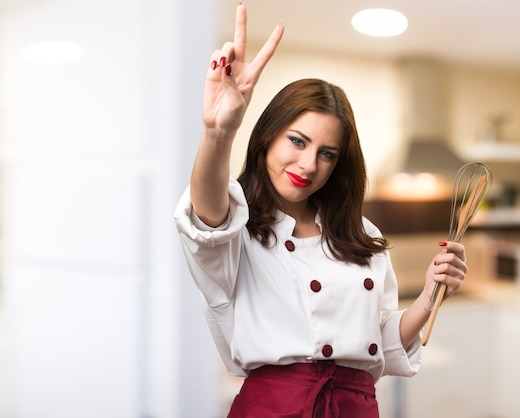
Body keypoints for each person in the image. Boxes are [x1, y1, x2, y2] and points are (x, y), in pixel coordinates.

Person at [174, 4, 467, 417]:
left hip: (355, 406)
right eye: (297, 141)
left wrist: (430, 295)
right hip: (274, 409)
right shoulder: (236, 226)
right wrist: (218, 131)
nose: (309, 165)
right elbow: (206, 218)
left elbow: (380, 340)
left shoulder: (360, 233)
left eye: (326, 153)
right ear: (267, 137)